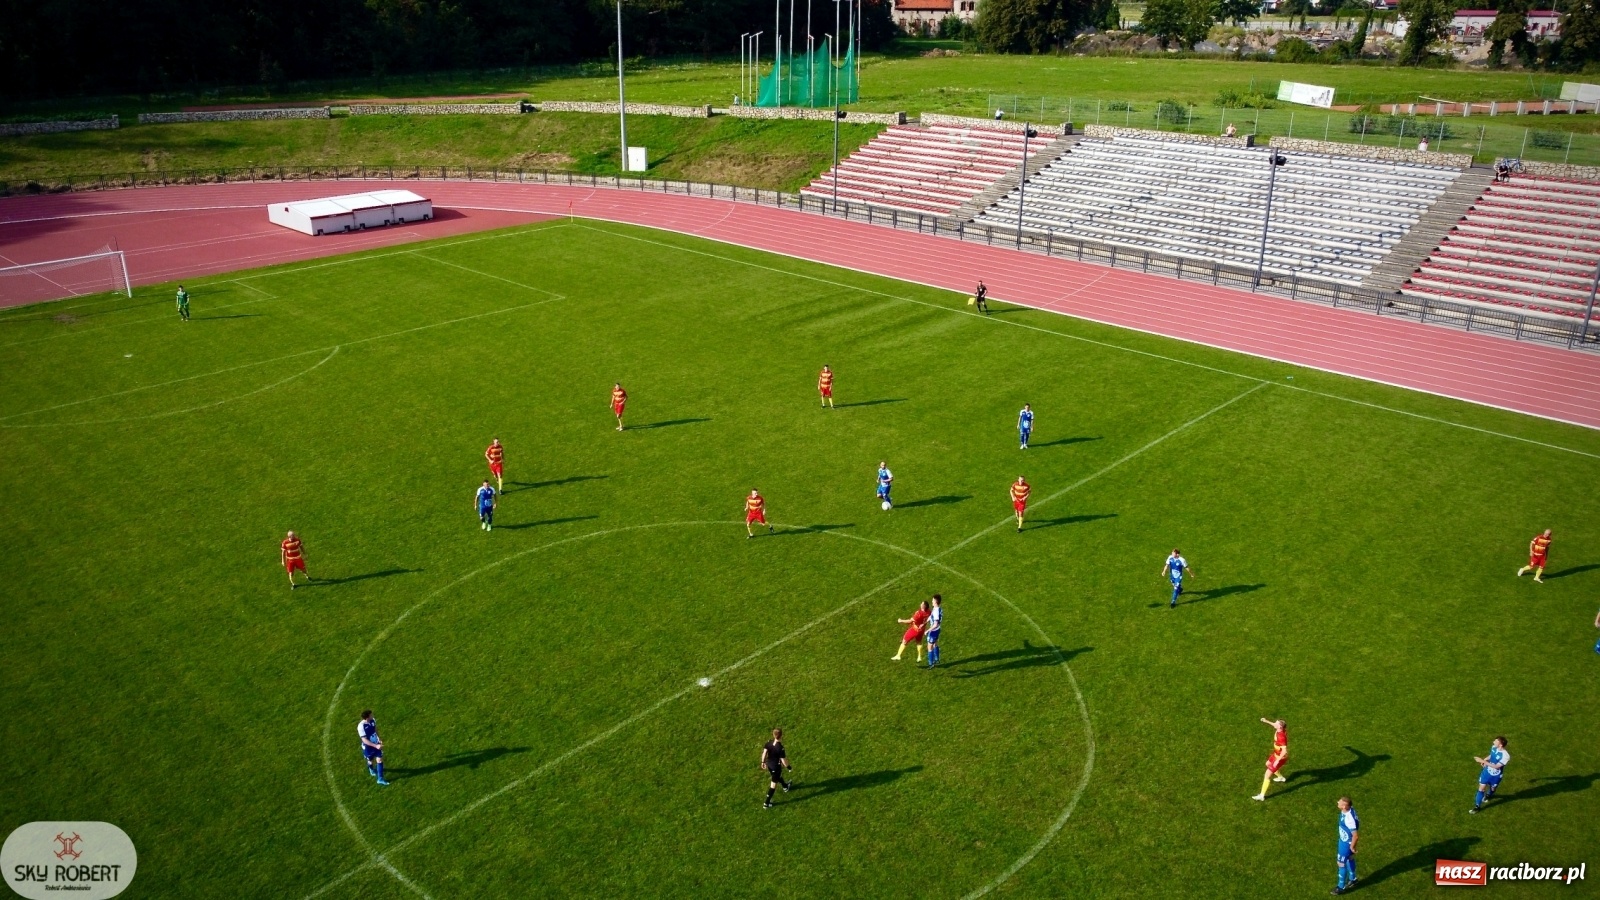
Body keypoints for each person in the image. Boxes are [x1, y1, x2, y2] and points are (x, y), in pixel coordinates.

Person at [1470, 736, 1510, 813]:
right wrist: (1485, 759)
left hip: (1496, 776)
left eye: (1496, 741)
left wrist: (1482, 761)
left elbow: (1497, 766)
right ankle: (1477, 806)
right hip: (1487, 772)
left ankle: (1489, 795)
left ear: (1500, 744)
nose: (1493, 742)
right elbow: (1491, 755)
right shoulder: (1494, 747)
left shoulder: (1505, 756)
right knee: (1481, 789)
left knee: (1493, 789)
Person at [1252, 718, 1289, 801]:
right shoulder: (1280, 729)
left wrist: (1277, 761)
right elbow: (1274, 725)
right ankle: (1281, 778)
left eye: (1276, 723)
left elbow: (1284, 751)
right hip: (1276, 754)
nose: (1274, 723)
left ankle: (1262, 796)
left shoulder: (1281, 736)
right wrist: (1266, 721)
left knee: (1267, 775)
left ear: (1279, 727)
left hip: (1280, 757)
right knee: (1267, 764)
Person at [1332, 797, 1359, 894]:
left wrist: (1352, 846)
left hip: (1346, 844)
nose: (1337, 802)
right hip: (1345, 841)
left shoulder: (1349, 819)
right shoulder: (1350, 809)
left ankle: (1341, 886)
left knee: (1341, 863)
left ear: (1344, 806)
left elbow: (1355, 836)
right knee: (1350, 858)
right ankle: (1353, 879)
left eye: (1340, 802)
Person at [760, 728, 792, 808]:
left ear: (773, 735)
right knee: (773, 785)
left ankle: (785, 787)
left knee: (778, 777)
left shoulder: (768, 743)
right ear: (781, 736)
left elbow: (764, 753)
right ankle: (766, 803)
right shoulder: (780, 748)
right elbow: (783, 761)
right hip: (775, 767)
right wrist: (789, 767)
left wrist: (763, 762)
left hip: (769, 765)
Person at [359, 710, 390, 786]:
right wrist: (376, 746)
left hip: (376, 743)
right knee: (370, 760)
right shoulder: (361, 727)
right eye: (371, 715)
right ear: (367, 717)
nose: (372, 715)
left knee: (379, 759)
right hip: (368, 747)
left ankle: (380, 779)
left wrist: (379, 738)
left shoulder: (373, 720)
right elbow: (364, 740)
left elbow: (375, 729)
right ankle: (371, 769)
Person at [925, 594, 943, 668]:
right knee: (935, 644)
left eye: (932, 600)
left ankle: (931, 663)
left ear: (935, 601)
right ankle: (937, 659)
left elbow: (935, 624)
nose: (931, 601)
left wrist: (927, 631)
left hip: (933, 631)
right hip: (938, 629)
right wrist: (926, 621)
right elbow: (932, 616)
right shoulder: (938, 609)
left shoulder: (935, 611)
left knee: (929, 648)